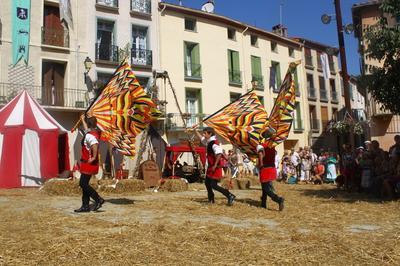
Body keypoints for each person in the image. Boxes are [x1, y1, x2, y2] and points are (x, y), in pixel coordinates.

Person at [194, 127, 236, 205]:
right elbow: (202, 139)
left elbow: (219, 154)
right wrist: (195, 130)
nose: (204, 134)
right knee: (207, 183)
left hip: (215, 167)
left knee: (214, 185)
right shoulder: (209, 141)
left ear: (210, 134)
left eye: (205, 133)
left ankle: (230, 195)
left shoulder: (214, 143)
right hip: (211, 167)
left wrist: (215, 165)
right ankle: (211, 200)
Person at [75, 114, 105, 213]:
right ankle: (85, 206)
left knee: (82, 183)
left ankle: (98, 199)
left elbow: (94, 145)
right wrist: (83, 119)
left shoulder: (90, 135)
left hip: (89, 163)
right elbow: (86, 129)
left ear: (89, 124)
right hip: (87, 163)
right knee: (85, 185)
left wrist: (94, 157)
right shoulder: (91, 132)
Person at [256, 133, 285, 211]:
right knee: (264, 186)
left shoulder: (261, 146)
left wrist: (260, 165)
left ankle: (278, 199)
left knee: (266, 188)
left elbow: (261, 155)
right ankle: (263, 204)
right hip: (272, 168)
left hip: (265, 168)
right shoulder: (272, 146)